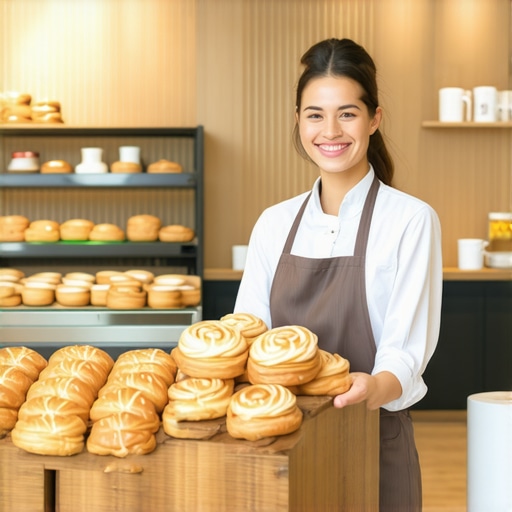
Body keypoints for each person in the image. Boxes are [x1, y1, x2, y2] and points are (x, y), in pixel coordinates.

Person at [233, 38, 443, 511]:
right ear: (298, 120)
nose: (330, 130)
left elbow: (406, 354)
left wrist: (375, 387)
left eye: (347, 113)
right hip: (280, 441)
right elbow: (249, 333)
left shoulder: (410, 220)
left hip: (372, 440)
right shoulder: (274, 222)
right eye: (315, 114)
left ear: (374, 119)